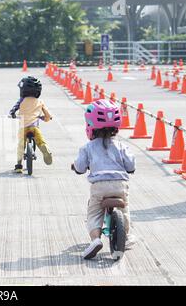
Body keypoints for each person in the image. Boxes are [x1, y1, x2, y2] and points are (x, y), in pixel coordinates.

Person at [72, 99, 137, 260]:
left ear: (90, 126)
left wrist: (75, 167)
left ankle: (95, 239)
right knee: (124, 208)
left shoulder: (88, 147)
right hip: (119, 185)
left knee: (94, 212)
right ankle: (126, 236)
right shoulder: (122, 146)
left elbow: (80, 167)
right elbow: (131, 164)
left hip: (99, 186)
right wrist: (129, 168)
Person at [9, 76, 53, 173]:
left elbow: (14, 108)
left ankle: (19, 165)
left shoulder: (21, 100)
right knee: (40, 140)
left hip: (23, 127)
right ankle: (45, 150)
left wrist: (12, 114)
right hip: (34, 127)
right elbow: (48, 115)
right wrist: (46, 118)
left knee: (21, 145)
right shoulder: (40, 102)